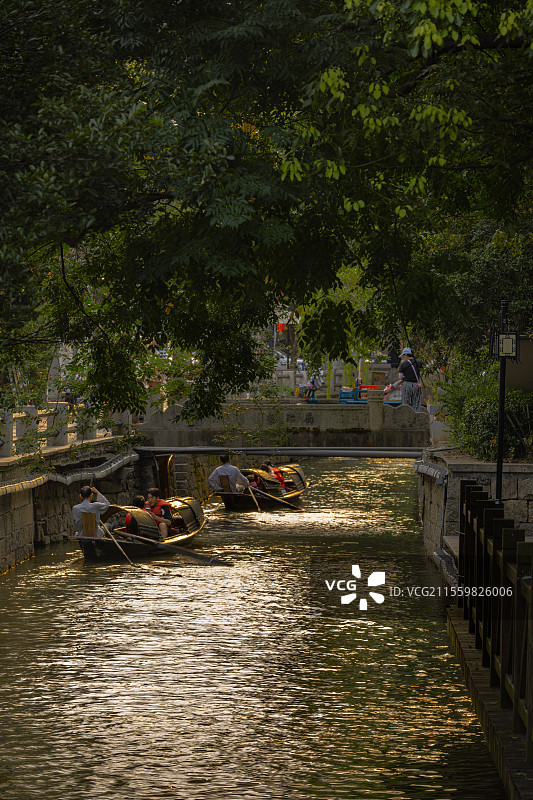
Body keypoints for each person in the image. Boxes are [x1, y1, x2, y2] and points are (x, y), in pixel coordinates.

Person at [397, 347, 423, 412]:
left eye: (403, 355)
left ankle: (407, 417)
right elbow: (427, 368)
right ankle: (416, 416)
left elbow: (400, 377)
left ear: (406, 355)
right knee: (416, 403)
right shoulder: (419, 362)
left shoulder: (403, 364)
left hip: (406, 385)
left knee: (406, 403)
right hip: (416, 385)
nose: (403, 357)